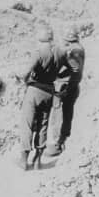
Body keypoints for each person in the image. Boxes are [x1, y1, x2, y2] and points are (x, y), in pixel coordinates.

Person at [17, 25, 66, 170]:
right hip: (49, 92)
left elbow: (27, 73)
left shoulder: (39, 52)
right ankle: (38, 161)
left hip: (35, 90)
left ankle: (24, 161)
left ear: (40, 39)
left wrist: (24, 80)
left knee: (27, 123)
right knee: (42, 126)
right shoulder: (59, 52)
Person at [46, 26, 85, 156]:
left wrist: (61, 78)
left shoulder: (72, 51)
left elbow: (74, 69)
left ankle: (57, 143)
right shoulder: (79, 48)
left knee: (58, 114)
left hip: (64, 87)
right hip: (73, 86)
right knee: (68, 113)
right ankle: (63, 140)